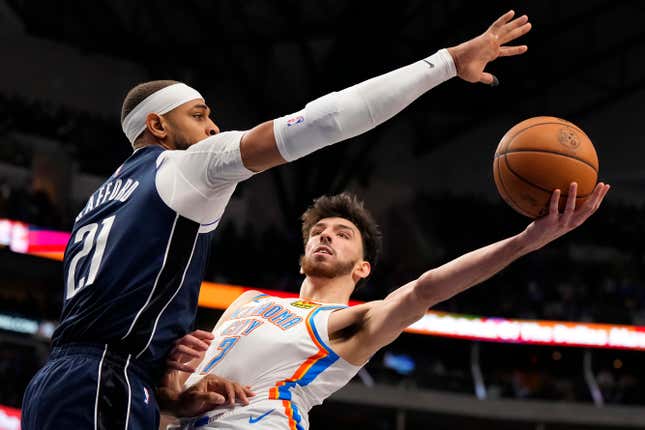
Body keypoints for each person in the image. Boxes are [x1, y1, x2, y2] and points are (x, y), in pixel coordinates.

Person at [21, 10, 531, 430]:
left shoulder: (100, 200)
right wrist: (445, 64)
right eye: (198, 114)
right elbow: (328, 118)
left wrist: (173, 396)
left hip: (62, 382)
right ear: (158, 125)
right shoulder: (188, 165)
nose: (214, 126)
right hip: (105, 380)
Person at [163, 183, 610, 430]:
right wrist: (173, 384)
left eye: (342, 233)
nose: (325, 235)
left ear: (362, 269)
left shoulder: (349, 323)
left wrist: (524, 242)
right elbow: (178, 390)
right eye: (319, 230)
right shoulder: (247, 302)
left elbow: (424, 291)